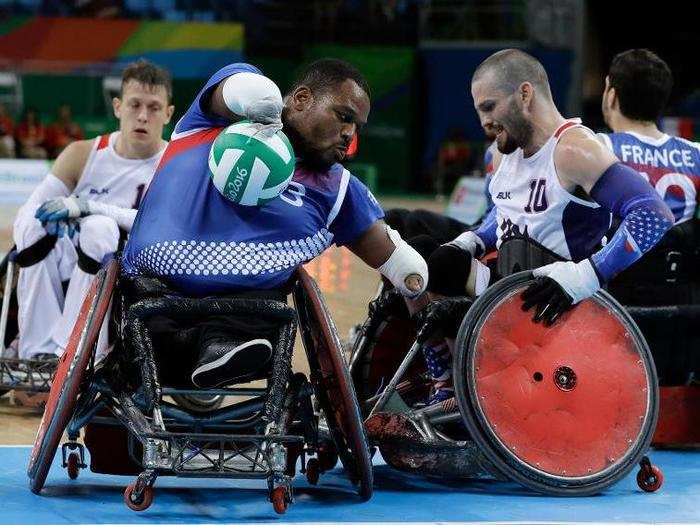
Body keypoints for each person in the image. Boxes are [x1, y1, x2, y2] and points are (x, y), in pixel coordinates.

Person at [121, 58, 428, 389]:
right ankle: (197, 353)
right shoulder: (211, 122)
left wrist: (421, 291)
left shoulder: (339, 188)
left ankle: (220, 350)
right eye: (344, 116)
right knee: (155, 324)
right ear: (300, 99)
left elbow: (401, 263)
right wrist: (268, 118)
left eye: (357, 126)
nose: (350, 134)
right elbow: (246, 88)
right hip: (152, 305)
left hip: (244, 319)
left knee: (262, 312)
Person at [417, 49, 675, 403]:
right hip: (508, 286)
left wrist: (588, 275)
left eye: (489, 107)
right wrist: (473, 240)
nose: (484, 122)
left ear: (525, 94)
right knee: (417, 255)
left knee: (439, 269)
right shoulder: (502, 154)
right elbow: (507, 215)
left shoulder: (575, 149)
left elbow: (653, 214)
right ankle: (444, 385)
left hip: (552, 303)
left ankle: (458, 389)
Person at [12, 59, 174, 361]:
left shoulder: (174, 165)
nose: (142, 116)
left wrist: (87, 207)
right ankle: (36, 351)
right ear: (117, 107)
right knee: (32, 226)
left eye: (153, 108)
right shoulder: (82, 154)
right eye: (134, 104)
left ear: (168, 114)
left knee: (100, 227)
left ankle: (74, 352)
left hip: (132, 269)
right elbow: (29, 211)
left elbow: (160, 225)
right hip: (72, 260)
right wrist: (47, 223)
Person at [599, 49, 700, 384]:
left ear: (611, 94)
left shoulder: (595, 149)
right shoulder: (697, 154)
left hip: (616, 306)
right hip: (682, 311)